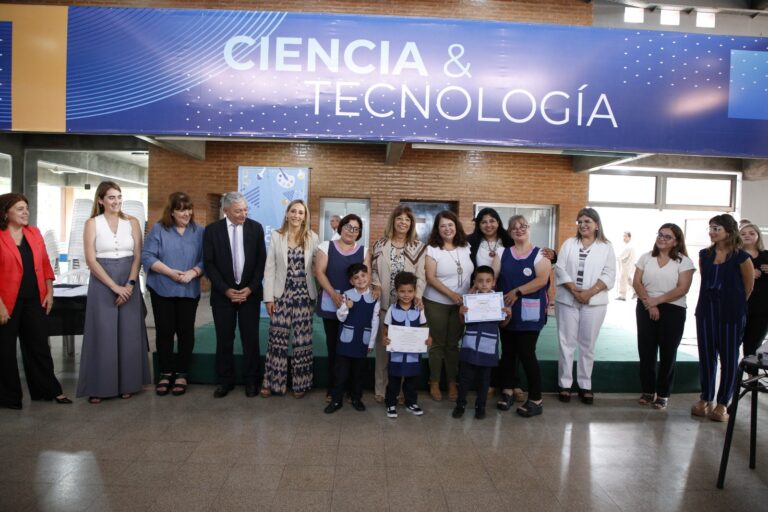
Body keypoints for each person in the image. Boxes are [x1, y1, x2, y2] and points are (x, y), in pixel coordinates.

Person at [76, 181, 150, 402]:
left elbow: (138, 256)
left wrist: (130, 285)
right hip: (102, 282)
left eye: (119, 197)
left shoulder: (132, 222)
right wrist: (114, 286)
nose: (116, 201)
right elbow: (91, 260)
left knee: (129, 333)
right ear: (100, 200)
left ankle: (129, 383)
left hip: (129, 279)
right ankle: (100, 387)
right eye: (111, 197)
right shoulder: (92, 223)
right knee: (103, 333)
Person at [0, 193, 70, 409]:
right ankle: (9, 397)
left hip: (34, 299)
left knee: (39, 346)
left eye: (26, 208)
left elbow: (45, 264)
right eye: (20, 209)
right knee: (5, 350)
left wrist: (49, 291)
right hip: (6, 301)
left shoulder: (34, 233)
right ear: (5, 213)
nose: (25, 212)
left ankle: (48, 390)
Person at [203, 192, 266, 399]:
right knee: (224, 339)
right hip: (223, 296)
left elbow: (261, 262)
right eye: (238, 211)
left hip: (250, 294)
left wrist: (250, 288)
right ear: (226, 211)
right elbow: (209, 264)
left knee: (251, 339)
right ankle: (225, 381)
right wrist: (225, 290)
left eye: (246, 210)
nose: (243, 214)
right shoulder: (212, 231)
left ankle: (252, 380)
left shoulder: (255, 228)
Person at [142, 192, 204, 397]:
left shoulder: (199, 231)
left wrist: (193, 272)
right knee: (165, 331)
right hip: (162, 288)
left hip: (189, 289)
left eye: (189, 209)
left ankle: (182, 373)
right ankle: (166, 373)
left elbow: (207, 258)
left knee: (186, 332)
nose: (186, 213)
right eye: (181, 210)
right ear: (172, 212)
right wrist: (170, 272)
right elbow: (147, 256)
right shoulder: (159, 229)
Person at [692, 214, 754, 422]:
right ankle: (705, 398)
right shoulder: (704, 255)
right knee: (706, 356)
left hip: (731, 313)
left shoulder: (741, 257)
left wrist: (734, 305)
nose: (712, 232)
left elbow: (748, 287)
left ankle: (723, 403)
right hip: (706, 311)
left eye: (716, 228)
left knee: (729, 358)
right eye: (710, 228)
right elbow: (705, 280)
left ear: (728, 231)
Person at [555, 207, 616, 405]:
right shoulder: (569, 244)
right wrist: (574, 290)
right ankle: (565, 384)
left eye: (587, 221)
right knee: (566, 343)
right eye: (580, 222)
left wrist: (589, 293)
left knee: (587, 345)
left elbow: (609, 273)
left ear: (597, 225)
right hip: (568, 299)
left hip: (594, 302)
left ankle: (585, 385)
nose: (583, 225)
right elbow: (560, 268)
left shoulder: (606, 246)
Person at [493, 215, 552, 417]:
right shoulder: (501, 253)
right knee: (508, 353)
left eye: (523, 226)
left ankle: (536, 399)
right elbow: (492, 277)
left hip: (529, 314)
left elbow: (542, 280)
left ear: (529, 229)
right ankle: (507, 391)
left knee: (527, 354)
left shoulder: (540, 254)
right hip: (507, 312)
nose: (519, 230)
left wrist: (517, 292)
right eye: (514, 228)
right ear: (510, 232)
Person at [632, 224, 695, 410]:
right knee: (646, 351)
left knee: (668, 353)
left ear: (676, 241)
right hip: (645, 306)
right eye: (660, 235)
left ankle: (663, 394)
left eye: (668, 237)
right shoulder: (646, 257)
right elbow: (636, 282)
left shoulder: (684, 261)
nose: (662, 238)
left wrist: (657, 301)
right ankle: (648, 390)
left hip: (673, 309)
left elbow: (682, 289)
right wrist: (649, 303)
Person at [261, 199, 319, 398]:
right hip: (281, 294)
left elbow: (317, 267)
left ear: (305, 216)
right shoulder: (277, 236)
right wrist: (269, 298)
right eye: (293, 211)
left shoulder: (312, 237)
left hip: (304, 294)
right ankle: (272, 383)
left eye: (301, 212)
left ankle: (301, 384)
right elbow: (270, 268)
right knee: (277, 339)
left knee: (302, 340)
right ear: (287, 214)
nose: (296, 215)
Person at [371, 205, 426, 403]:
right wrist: (376, 285)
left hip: (408, 307)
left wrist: (418, 295)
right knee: (384, 349)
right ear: (393, 221)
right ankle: (381, 389)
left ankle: (401, 391)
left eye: (407, 220)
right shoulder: (380, 244)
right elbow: (374, 270)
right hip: (386, 305)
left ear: (411, 224)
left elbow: (421, 275)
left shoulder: (418, 246)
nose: (403, 222)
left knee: (404, 349)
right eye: (399, 218)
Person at [315, 213, 370, 402]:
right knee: (334, 348)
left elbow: (366, 278)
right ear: (341, 227)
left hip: (355, 307)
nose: (351, 231)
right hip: (331, 303)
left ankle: (351, 390)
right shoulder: (326, 246)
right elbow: (319, 272)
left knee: (352, 347)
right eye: (348, 227)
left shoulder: (364, 251)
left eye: (356, 229)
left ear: (359, 233)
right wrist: (333, 294)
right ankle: (333, 389)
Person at [423, 210, 474, 402]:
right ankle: (434, 382)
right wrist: (452, 294)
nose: (447, 229)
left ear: (456, 226)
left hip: (460, 304)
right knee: (437, 344)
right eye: (442, 226)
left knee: (453, 345)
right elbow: (430, 277)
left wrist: (471, 292)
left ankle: (452, 382)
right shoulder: (432, 249)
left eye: (450, 224)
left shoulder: (465, 246)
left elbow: (470, 274)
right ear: (437, 229)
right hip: (437, 302)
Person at [453, 266, 511, 420]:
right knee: (464, 379)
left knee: (484, 381)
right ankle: (460, 405)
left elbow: (502, 325)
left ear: (493, 282)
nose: (484, 284)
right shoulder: (469, 299)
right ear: (475, 282)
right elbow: (463, 322)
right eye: (480, 281)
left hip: (488, 347)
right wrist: (461, 313)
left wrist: (508, 316)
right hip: (470, 346)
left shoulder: (498, 301)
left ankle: (481, 406)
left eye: (488, 281)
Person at [324, 263, 379, 413]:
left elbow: (375, 321)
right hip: (345, 342)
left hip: (363, 341)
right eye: (356, 277)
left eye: (363, 275)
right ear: (351, 281)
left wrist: (371, 343)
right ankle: (336, 400)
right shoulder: (346, 295)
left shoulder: (374, 297)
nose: (360, 279)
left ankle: (356, 398)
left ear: (368, 276)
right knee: (341, 373)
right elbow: (340, 318)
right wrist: (345, 307)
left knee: (358, 373)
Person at [381, 271, 431, 418]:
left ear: (415, 291)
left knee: (412, 379)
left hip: (413, 354)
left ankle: (411, 403)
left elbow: (424, 327)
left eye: (410, 291)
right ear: (396, 291)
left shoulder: (419, 309)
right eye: (402, 291)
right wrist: (384, 338)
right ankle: (391, 403)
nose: (406, 295)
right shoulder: (392, 309)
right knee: (394, 379)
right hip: (396, 353)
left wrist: (429, 338)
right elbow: (386, 329)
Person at [740, 223, 768, 359]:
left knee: (753, 346)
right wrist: (748, 273)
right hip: (740, 306)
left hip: (762, 309)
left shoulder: (766, 255)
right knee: (732, 343)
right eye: (743, 234)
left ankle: (751, 373)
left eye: (751, 233)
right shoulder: (735, 256)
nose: (747, 236)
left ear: (758, 236)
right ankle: (732, 372)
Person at [616, 231, 636, 301]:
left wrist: (616, 257)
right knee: (628, 280)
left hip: (625, 267)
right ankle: (635, 292)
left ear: (629, 237)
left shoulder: (628, 247)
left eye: (625, 236)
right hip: (629, 266)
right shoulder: (630, 246)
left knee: (623, 280)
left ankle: (622, 296)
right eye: (623, 236)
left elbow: (621, 256)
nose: (624, 237)